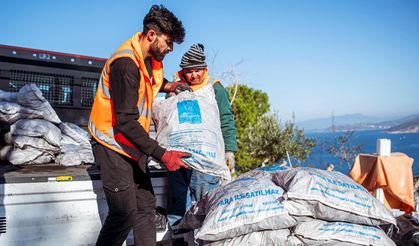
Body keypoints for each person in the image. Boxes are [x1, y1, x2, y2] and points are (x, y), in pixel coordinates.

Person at [88, 5, 191, 246]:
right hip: (112, 144)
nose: (170, 48)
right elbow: (124, 121)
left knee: (145, 209)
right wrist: (163, 154)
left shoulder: (148, 60)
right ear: (152, 35)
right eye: (168, 42)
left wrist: (170, 87)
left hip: (133, 145)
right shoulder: (125, 64)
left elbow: (153, 82)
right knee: (122, 214)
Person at [166, 43, 238, 245]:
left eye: (198, 70)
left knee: (204, 205)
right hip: (178, 157)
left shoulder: (215, 88)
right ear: (183, 71)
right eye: (189, 71)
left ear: (205, 69)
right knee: (177, 204)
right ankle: (179, 242)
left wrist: (230, 150)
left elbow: (226, 119)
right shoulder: (175, 87)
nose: (194, 75)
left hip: (206, 159)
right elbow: (166, 117)